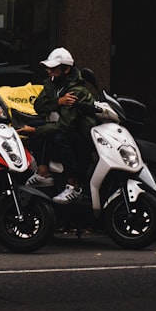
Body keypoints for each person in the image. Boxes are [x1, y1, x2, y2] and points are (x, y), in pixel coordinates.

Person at [18, 47, 97, 204]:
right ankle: (43, 173)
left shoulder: (76, 91)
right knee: (34, 123)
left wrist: (35, 131)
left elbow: (65, 125)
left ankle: (73, 185)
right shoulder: (52, 84)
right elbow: (38, 106)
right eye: (48, 68)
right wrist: (58, 102)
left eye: (53, 69)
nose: (49, 72)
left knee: (56, 135)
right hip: (59, 126)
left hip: (78, 134)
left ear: (66, 69)